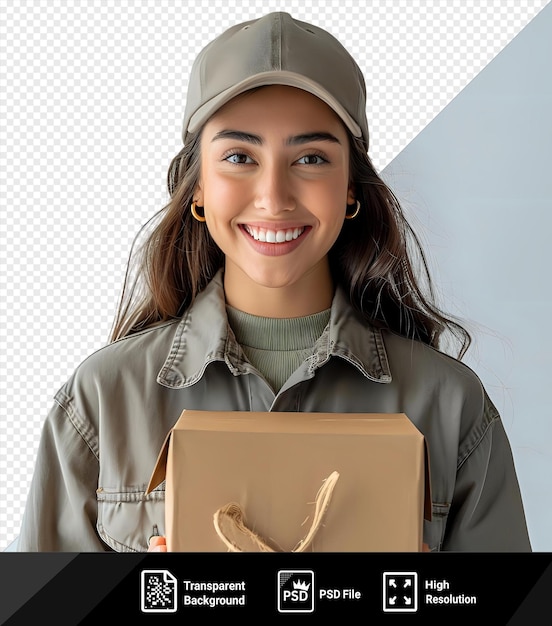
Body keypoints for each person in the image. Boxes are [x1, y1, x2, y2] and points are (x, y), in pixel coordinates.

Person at [17, 12, 531, 553]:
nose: (273, 196)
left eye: (311, 158)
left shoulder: (451, 407)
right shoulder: (100, 402)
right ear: (197, 189)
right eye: (239, 157)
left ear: (350, 189)